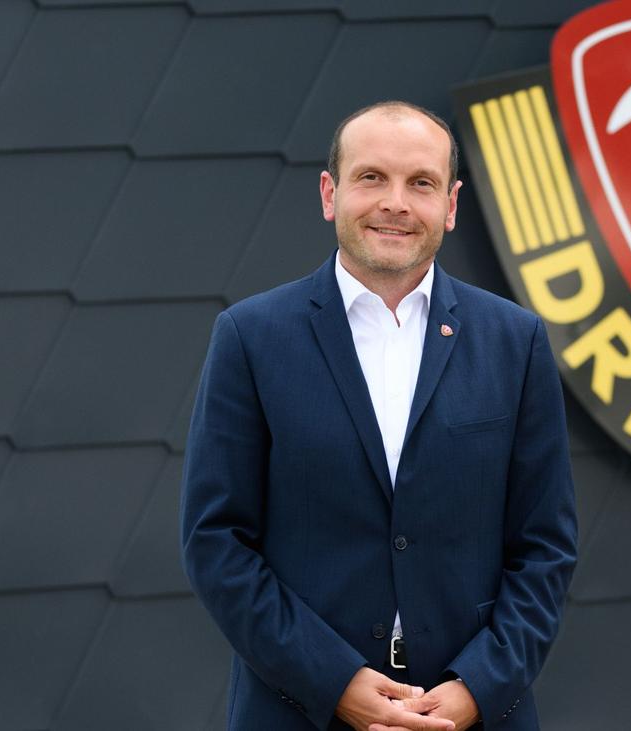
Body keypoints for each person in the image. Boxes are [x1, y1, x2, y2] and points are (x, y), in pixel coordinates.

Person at [180, 100, 578, 731]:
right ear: (329, 193)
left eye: (421, 183)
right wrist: (332, 681)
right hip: (298, 711)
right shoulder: (251, 337)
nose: (396, 202)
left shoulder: (515, 340)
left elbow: (545, 545)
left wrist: (478, 686)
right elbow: (216, 541)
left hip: (473, 716)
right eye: (371, 177)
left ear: (450, 204)